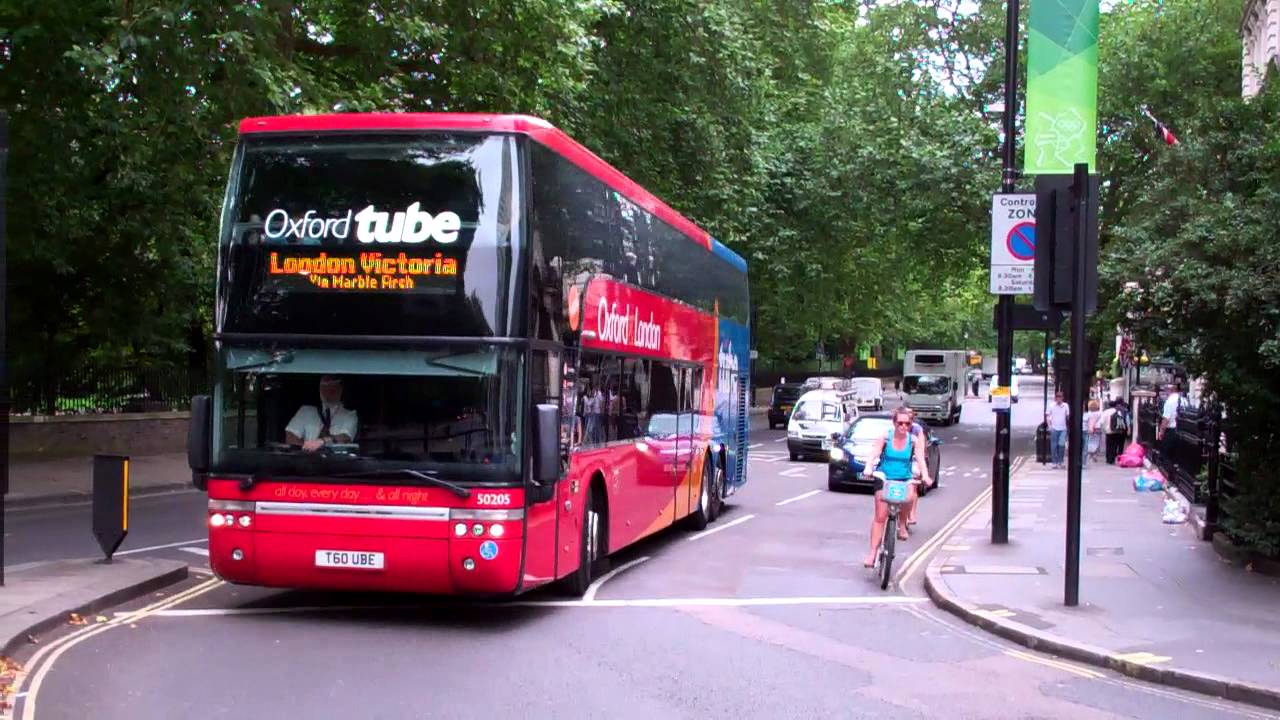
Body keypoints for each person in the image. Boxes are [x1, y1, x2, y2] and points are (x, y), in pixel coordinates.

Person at [861, 407, 932, 567]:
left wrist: (925, 476)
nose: (903, 427)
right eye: (900, 423)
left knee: (909, 496)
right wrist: (868, 467)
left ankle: (902, 524)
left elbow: (920, 459)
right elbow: (874, 453)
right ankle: (872, 552)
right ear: (894, 423)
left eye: (907, 424)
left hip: (903, 478)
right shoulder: (885, 437)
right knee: (880, 517)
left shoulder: (913, 440)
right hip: (884, 477)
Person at [285, 375, 358, 452]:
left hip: (335, 462)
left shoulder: (349, 415)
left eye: (333, 386)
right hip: (306, 461)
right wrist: (307, 451)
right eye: (324, 386)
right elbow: (290, 437)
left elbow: (345, 438)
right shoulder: (305, 411)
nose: (328, 391)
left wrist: (323, 441)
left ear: (341, 390)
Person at [1046, 391, 1069, 469]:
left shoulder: (1065, 406)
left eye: (1060, 397)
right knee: (1054, 446)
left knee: (1061, 445)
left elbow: (1068, 416)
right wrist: (1049, 426)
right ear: (1055, 398)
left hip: (1063, 428)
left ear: (1062, 398)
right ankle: (1054, 462)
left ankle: (1060, 461)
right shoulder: (1051, 406)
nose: (1059, 398)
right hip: (1054, 428)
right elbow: (1048, 416)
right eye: (1057, 397)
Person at [1083, 399, 1103, 465]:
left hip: (1090, 428)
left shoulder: (1088, 413)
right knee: (1097, 441)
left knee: (1090, 441)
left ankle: (1090, 454)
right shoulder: (1100, 413)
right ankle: (1094, 454)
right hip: (1098, 428)